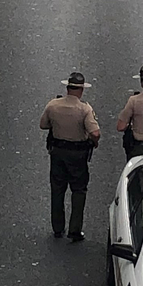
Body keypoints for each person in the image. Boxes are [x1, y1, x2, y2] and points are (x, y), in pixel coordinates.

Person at [39, 72, 101, 241]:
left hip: (57, 151)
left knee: (57, 188)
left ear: (67, 88)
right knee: (78, 190)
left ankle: (57, 227)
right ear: (81, 90)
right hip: (77, 154)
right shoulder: (84, 109)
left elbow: (43, 124)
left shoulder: (53, 105)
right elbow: (95, 132)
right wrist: (93, 141)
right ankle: (75, 229)